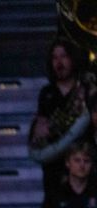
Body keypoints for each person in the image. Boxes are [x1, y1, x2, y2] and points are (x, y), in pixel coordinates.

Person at [29, 40, 97, 192]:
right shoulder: (47, 92)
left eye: (63, 56)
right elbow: (41, 126)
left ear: (72, 59)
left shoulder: (87, 90)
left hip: (83, 165)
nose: (59, 62)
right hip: (55, 167)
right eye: (55, 58)